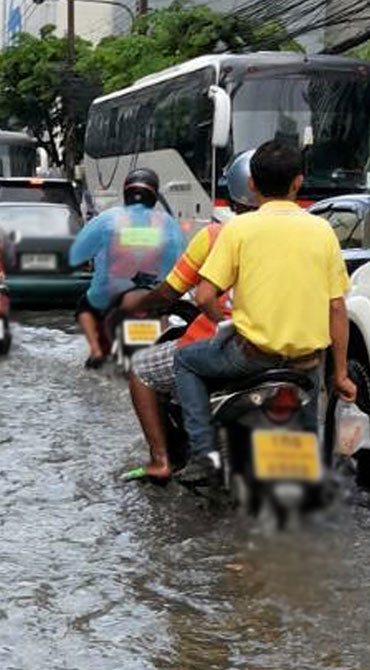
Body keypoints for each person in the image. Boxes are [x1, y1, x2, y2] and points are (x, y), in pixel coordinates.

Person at [172, 141, 358, 486]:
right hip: (306, 363)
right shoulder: (323, 231)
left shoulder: (239, 229)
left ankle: (202, 455)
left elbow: (204, 296)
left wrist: (222, 323)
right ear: (298, 182)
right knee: (309, 443)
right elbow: (336, 307)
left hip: (250, 357)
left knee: (185, 361)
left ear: (252, 185)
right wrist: (342, 374)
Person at [118, 150, 257, 482]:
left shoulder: (213, 235)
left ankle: (162, 459)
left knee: (145, 369)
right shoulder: (170, 226)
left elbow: (176, 289)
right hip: (285, 348)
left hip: (161, 306)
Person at [68, 168, 187, 369]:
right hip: (154, 297)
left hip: (108, 297)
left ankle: (96, 351)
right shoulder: (168, 223)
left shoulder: (108, 219)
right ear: (154, 196)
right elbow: (182, 260)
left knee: (84, 307)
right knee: (166, 318)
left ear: (126, 193)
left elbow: (76, 254)